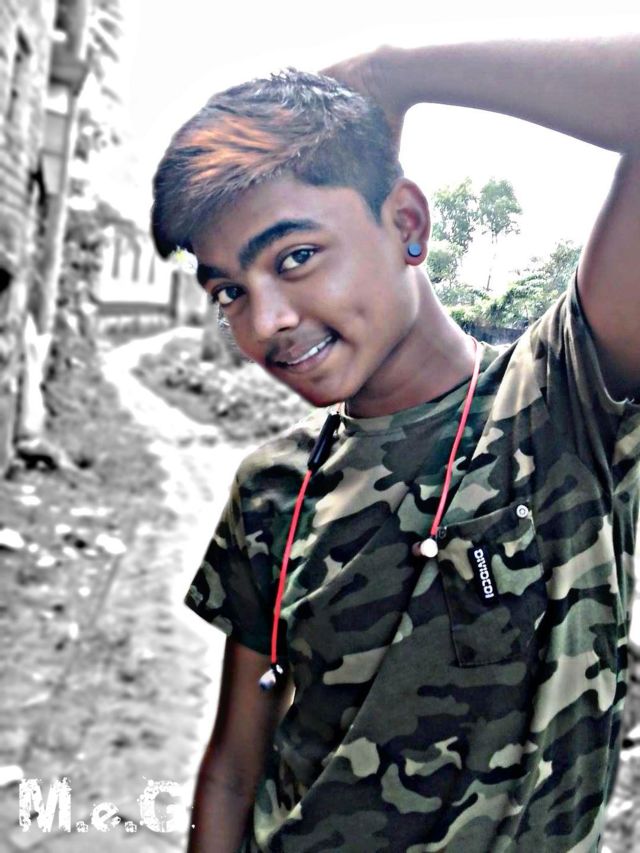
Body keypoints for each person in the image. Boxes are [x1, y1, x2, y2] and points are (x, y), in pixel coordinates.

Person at [151, 35, 640, 853]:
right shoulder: (274, 487)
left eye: (296, 256)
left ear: (407, 223)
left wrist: (397, 73)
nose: (265, 321)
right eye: (230, 291)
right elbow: (235, 766)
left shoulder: (566, 397)